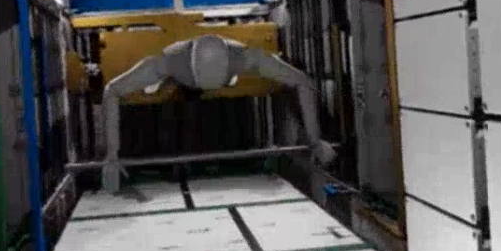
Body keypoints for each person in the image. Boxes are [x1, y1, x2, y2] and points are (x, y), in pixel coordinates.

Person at [100, 32, 337, 192]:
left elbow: (302, 81)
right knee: (153, 91)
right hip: (175, 78)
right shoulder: (167, 63)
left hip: (224, 75)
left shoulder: (246, 58)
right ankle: (163, 86)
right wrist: (112, 157)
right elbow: (112, 90)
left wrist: (315, 140)